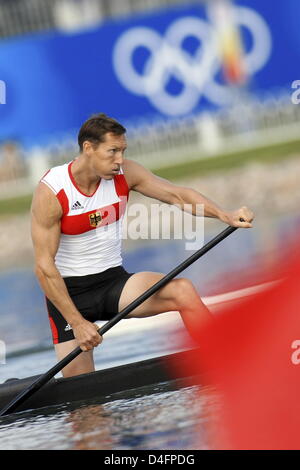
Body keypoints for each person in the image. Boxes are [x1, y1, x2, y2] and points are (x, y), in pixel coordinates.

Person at [31, 113, 254, 378]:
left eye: (123, 151)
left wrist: (224, 214)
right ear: (88, 148)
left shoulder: (126, 174)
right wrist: (77, 322)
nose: (120, 160)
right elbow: (44, 267)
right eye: (112, 151)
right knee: (86, 408)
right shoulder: (53, 190)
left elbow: (177, 194)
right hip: (68, 296)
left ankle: (229, 365)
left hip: (113, 283)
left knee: (182, 291)